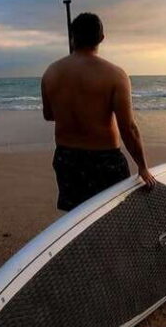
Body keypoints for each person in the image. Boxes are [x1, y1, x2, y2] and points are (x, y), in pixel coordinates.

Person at [41, 12, 157, 212]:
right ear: (101, 38)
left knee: (76, 218)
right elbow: (128, 127)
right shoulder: (116, 75)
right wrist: (142, 166)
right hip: (105, 160)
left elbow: (49, 114)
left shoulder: (51, 73)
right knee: (112, 216)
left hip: (66, 157)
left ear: (72, 37)